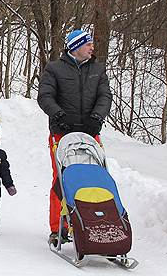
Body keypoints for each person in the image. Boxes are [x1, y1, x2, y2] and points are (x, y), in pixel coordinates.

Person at [37, 28, 113, 245]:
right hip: (62, 134)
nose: (92, 48)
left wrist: (97, 117)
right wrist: (58, 114)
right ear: (76, 47)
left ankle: (97, 222)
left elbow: (105, 95)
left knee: (96, 178)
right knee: (62, 179)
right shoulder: (54, 69)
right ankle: (59, 226)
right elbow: (45, 95)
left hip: (90, 133)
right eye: (88, 44)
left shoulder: (98, 69)